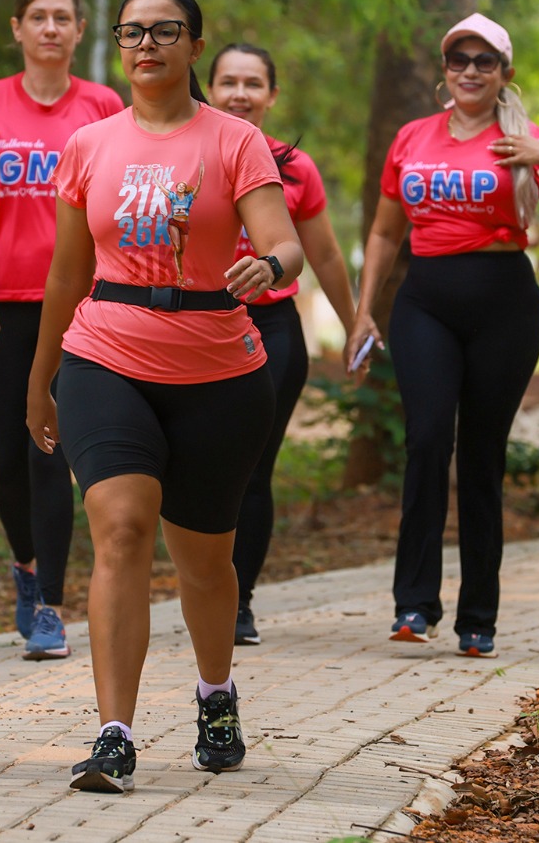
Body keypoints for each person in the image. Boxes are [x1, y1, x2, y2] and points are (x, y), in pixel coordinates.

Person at [25, 0, 304, 794]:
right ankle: (114, 733)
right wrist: (41, 379)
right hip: (105, 353)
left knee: (205, 561)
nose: (146, 45)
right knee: (118, 527)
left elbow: (283, 241)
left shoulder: (233, 140)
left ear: (194, 45)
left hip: (220, 369)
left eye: (165, 32)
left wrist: (269, 265)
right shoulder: (90, 145)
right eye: (132, 33)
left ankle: (216, 693)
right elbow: (67, 273)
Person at [345, 13, 539, 659]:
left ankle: (478, 615)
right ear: (445, 68)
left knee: (483, 455)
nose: (470, 71)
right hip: (426, 301)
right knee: (428, 439)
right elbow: (383, 231)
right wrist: (363, 310)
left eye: (484, 61)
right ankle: (414, 602)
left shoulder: (527, 141)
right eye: (460, 59)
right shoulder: (412, 138)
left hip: (505, 307)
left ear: (504, 73)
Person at [0, 0, 122, 660]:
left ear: (80, 31)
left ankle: (50, 604)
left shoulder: (104, 105)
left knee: (49, 450)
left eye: (63, 17)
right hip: (8, 307)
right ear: (17, 28)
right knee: (4, 464)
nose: (51, 27)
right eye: (38, 17)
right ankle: (24, 565)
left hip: (81, 309)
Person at [207, 42, 358, 646]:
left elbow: (322, 253)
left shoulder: (296, 168)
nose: (240, 93)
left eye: (253, 83)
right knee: (196, 469)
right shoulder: (186, 149)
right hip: (192, 326)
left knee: (252, 470)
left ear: (272, 95)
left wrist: (355, 326)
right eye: (228, 82)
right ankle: (202, 587)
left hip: (270, 331)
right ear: (209, 88)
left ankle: (238, 601)